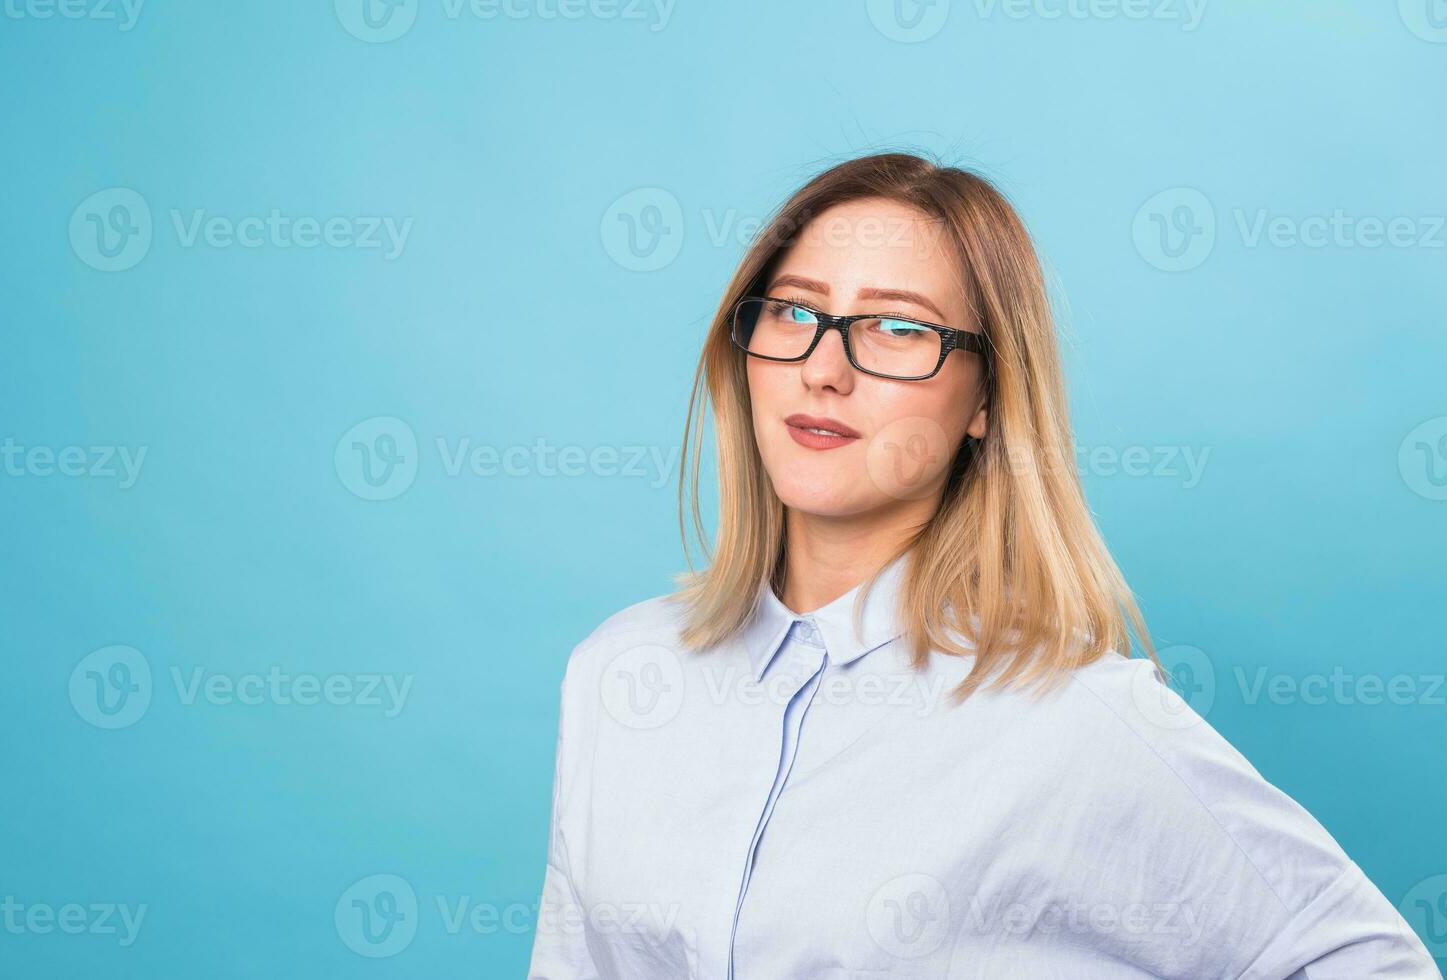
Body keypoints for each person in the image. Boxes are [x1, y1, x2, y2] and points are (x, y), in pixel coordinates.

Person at [527, 152, 1440, 978]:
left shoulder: (1074, 719)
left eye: (895, 327)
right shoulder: (618, 674)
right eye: (796, 310)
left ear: (986, 401)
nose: (823, 369)